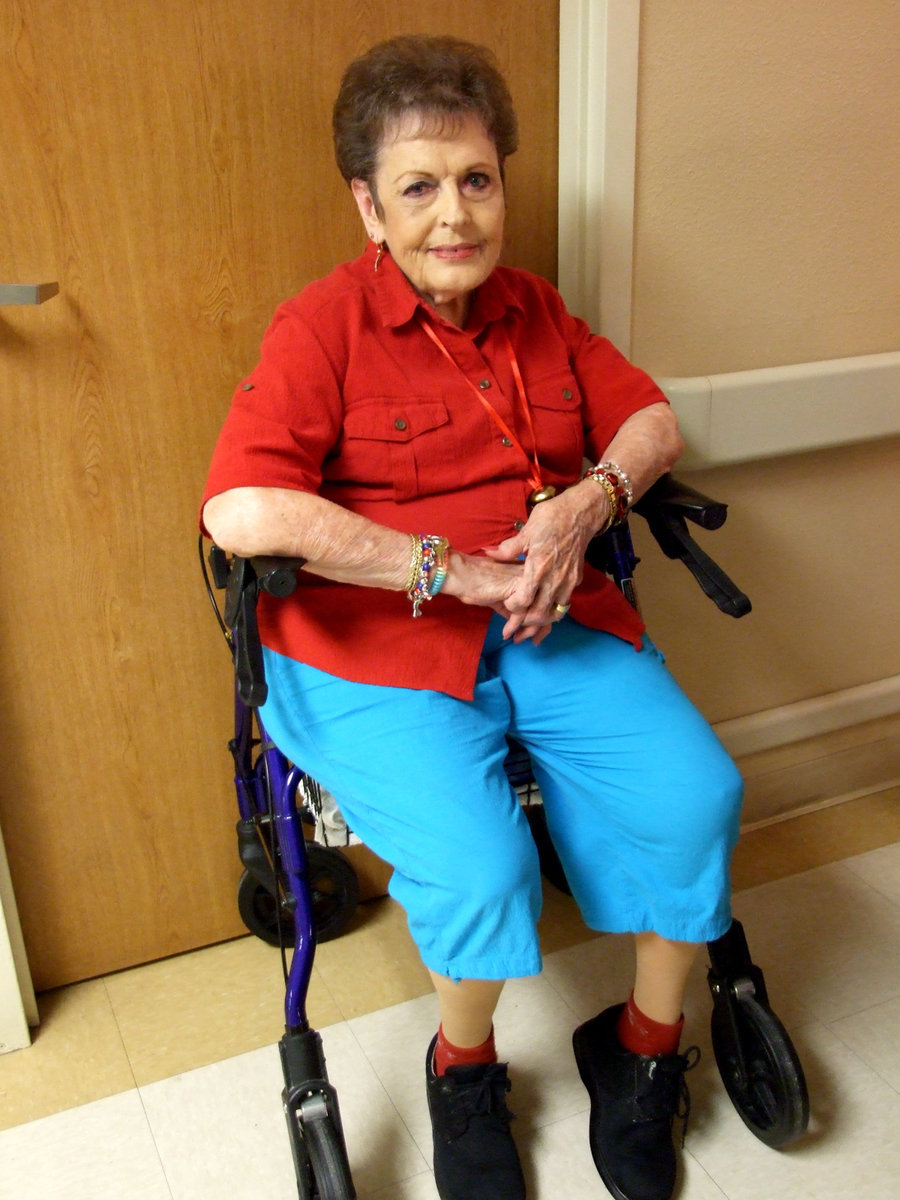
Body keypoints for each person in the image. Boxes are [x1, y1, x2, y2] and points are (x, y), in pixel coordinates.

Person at [201, 35, 742, 1200]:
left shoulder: (535, 310)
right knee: (483, 863)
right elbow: (242, 510)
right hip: (373, 650)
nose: (456, 214)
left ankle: (642, 1052)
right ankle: (462, 1068)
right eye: (419, 186)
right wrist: (453, 571)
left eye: (477, 180)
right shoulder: (321, 329)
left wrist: (592, 499)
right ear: (368, 204)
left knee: (697, 794)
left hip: (550, 620)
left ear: (502, 183)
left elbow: (651, 421)